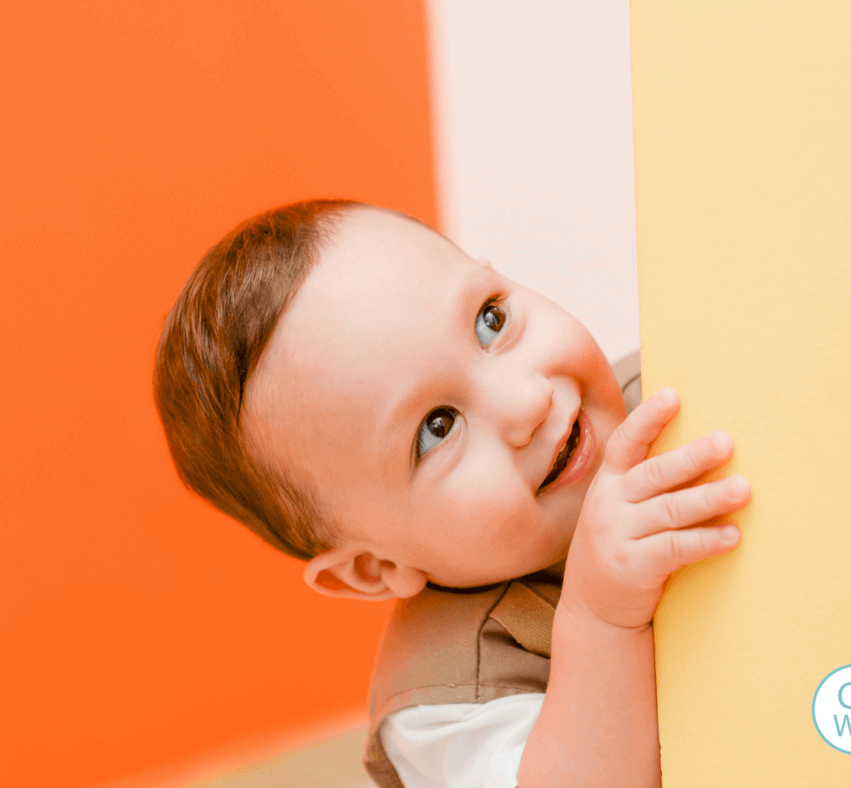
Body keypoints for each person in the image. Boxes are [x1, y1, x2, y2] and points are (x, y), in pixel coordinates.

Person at [153, 199, 751, 788]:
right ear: (374, 567)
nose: (527, 400)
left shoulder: (669, 392)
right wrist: (599, 618)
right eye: (437, 427)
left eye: (490, 320)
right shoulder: (447, 700)